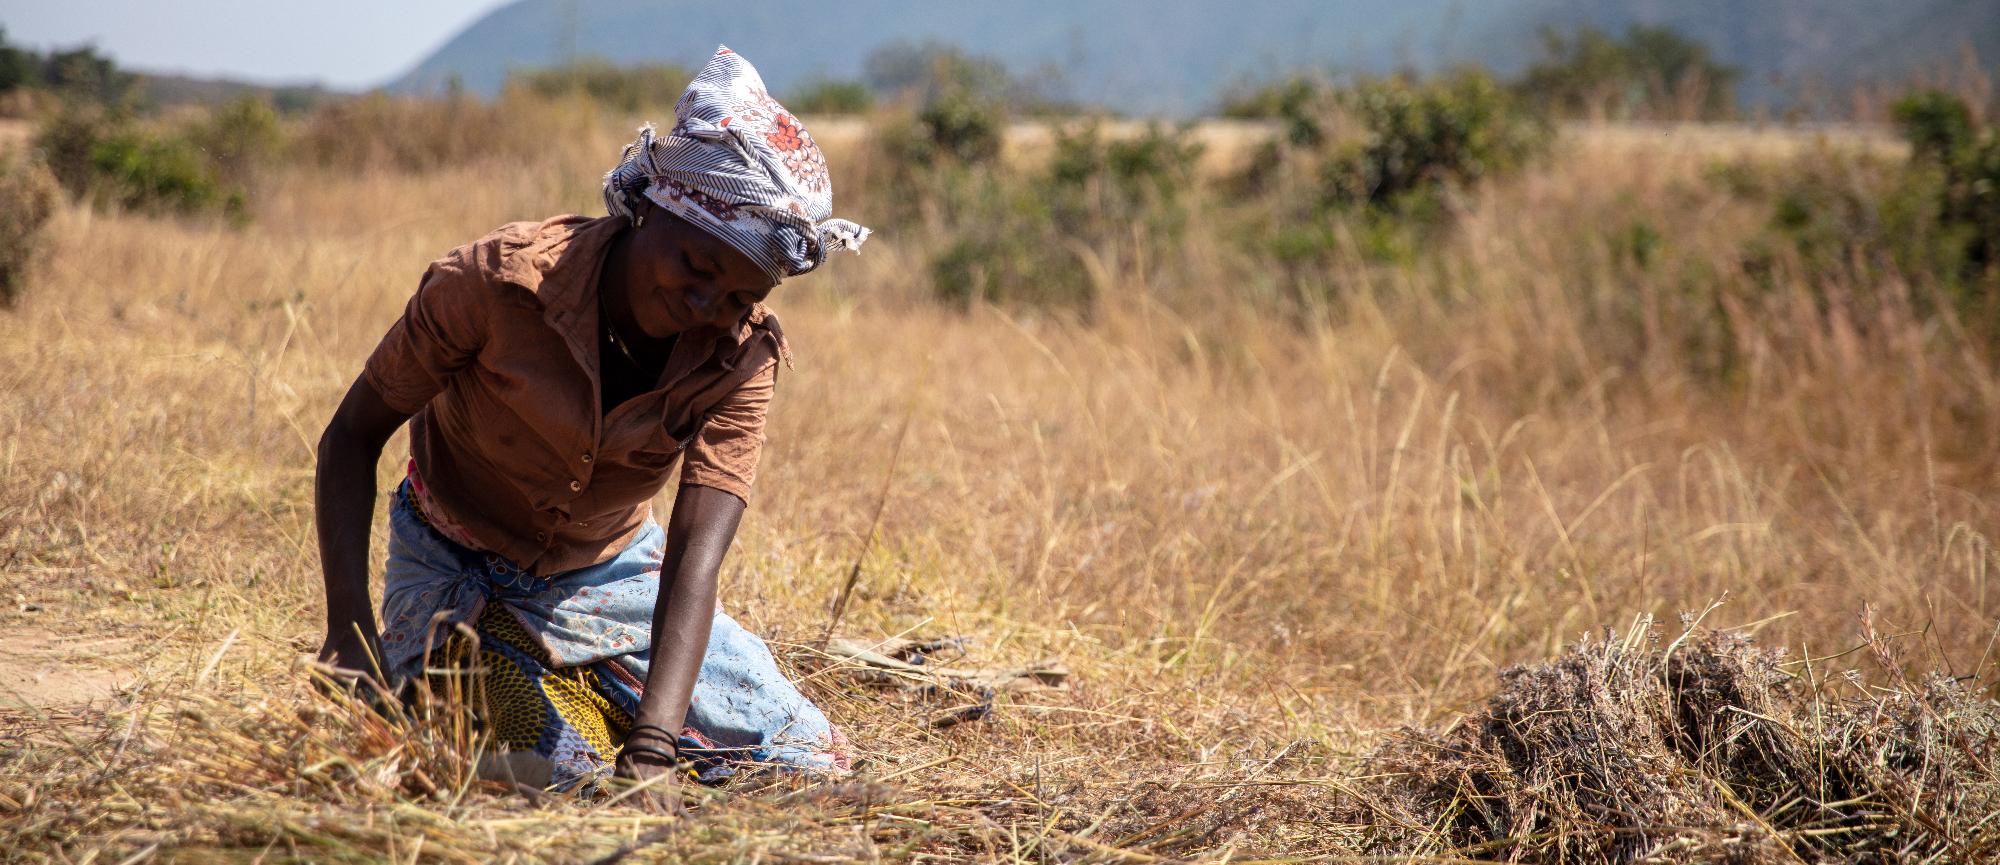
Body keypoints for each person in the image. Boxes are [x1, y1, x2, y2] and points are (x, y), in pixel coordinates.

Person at [312, 46, 869, 801]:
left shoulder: (743, 355)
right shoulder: (493, 284)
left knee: (809, 763)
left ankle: (605, 705)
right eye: (698, 268)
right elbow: (350, 438)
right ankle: (509, 683)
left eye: (739, 295)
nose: (710, 307)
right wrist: (349, 633)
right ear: (652, 209)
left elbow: (694, 558)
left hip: (610, 571)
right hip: (454, 558)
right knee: (546, 775)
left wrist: (653, 744)